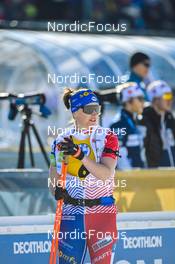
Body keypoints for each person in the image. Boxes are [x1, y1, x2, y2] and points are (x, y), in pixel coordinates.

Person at [49, 88, 120, 264]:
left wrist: (80, 156)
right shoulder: (61, 140)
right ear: (75, 112)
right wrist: (56, 189)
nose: (94, 114)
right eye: (89, 110)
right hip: (71, 213)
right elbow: (53, 175)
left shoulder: (108, 137)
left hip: (102, 213)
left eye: (97, 108)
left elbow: (105, 174)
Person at [110, 82, 145, 169]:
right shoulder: (119, 124)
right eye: (140, 99)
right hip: (131, 177)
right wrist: (131, 177)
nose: (143, 102)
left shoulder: (135, 119)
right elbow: (119, 155)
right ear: (128, 101)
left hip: (139, 173)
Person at [142, 80, 175, 167]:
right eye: (166, 96)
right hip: (155, 170)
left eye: (170, 96)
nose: (170, 100)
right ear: (155, 100)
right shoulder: (144, 120)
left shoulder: (169, 117)